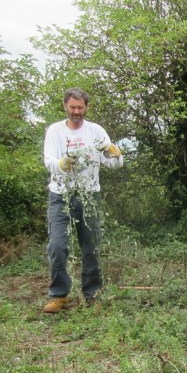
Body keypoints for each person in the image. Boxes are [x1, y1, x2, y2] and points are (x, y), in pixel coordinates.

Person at [42, 88, 124, 313]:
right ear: (65, 106)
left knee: (91, 247)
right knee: (57, 246)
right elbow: (49, 161)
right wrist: (61, 164)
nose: (76, 111)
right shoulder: (55, 131)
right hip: (61, 195)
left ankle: (93, 295)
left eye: (80, 107)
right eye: (72, 107)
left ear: (86, 107)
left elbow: (113, 164)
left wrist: (116, 153)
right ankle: (59, 296)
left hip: (89, 196)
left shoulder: (96, 131)